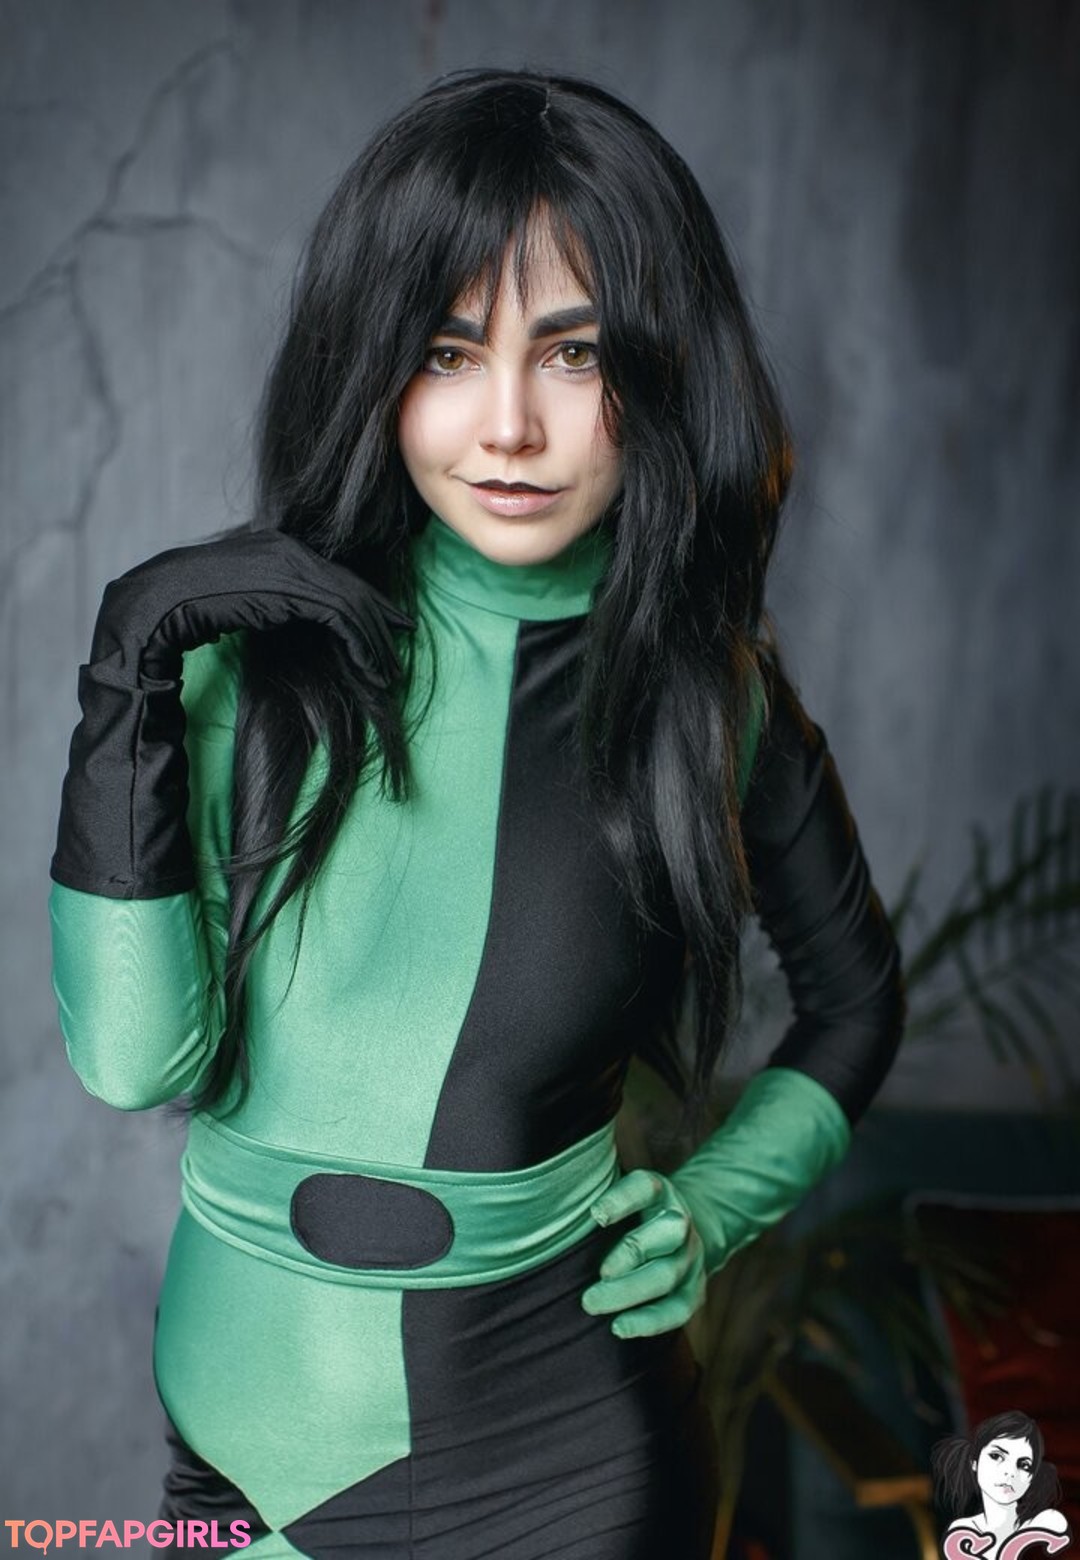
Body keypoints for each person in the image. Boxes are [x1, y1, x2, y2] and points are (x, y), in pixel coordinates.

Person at [49, 68, 906, 1559]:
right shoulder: (242, 662)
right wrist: (129, 659)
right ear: (374, 363)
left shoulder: (712, 703)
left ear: (662, 367)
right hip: (233, 1465)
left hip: (563, 1467)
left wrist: (713, 1206)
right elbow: (133, 1062)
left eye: (574, 353)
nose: (509, 425)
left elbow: (855, 1002)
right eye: (449, 351)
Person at [933, 1411, 1070, 1557]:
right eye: (996, 1456)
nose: (1010, 1472)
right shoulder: (960, 1531)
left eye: (1024, 1465)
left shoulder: (1049, 1522)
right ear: (974, 1462)